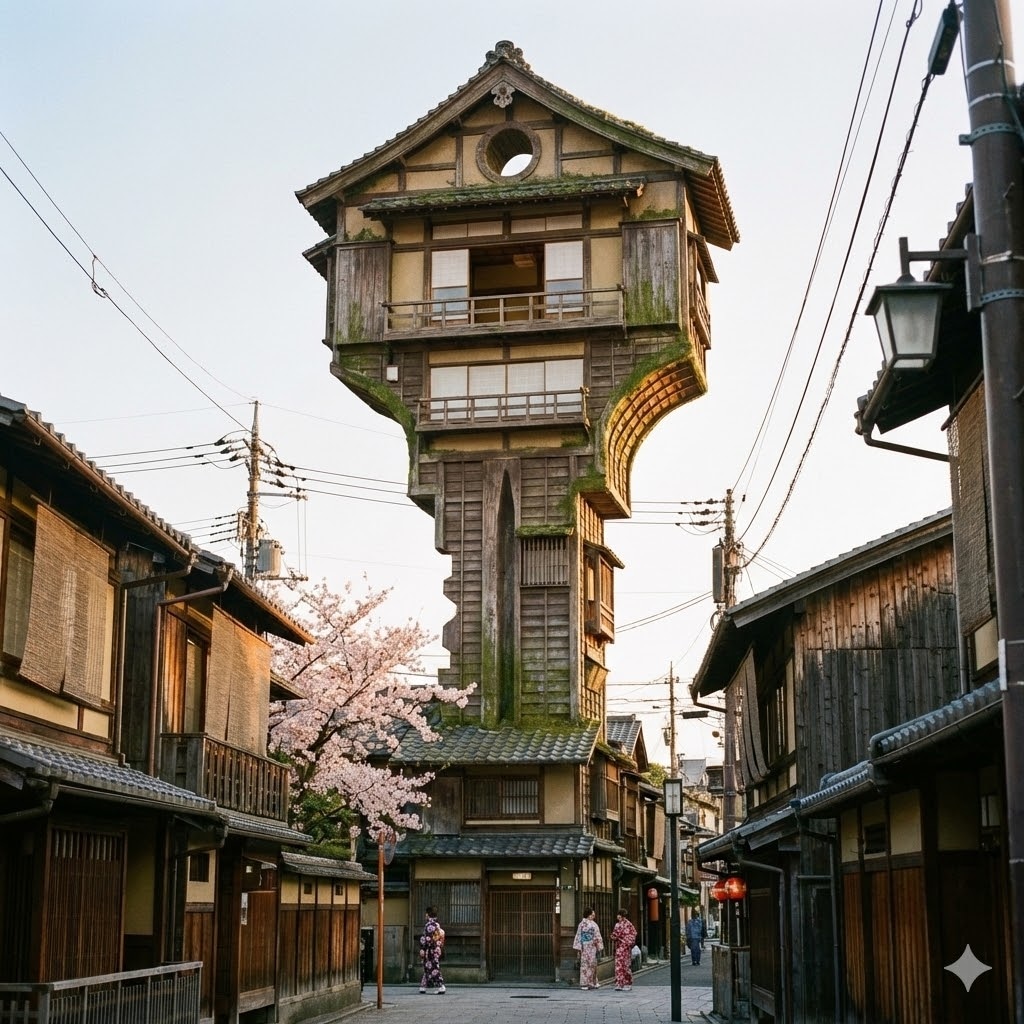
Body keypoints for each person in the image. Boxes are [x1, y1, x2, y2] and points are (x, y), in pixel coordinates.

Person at [572, 907, 604, 989]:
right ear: (588, 915)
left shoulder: (582, 924)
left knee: (588, 965)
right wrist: (599, 946)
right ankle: (589, 983)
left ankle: (588, 983)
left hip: (586, 946)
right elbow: (597, 936)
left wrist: (579, 947)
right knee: (589, 965)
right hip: (589, 946)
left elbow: (578, 936)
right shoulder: (592, 925)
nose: (593, 916)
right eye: (592, 915)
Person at [418, 906, 446, 994]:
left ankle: (441, 986)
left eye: (426, 914)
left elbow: (427, 939)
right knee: (428, 966)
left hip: (431, 949)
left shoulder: (429, 925)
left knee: (433, 967)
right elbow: (441, 936)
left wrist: (423, 948)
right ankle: (423, 986)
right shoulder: (436, 924)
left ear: (427, 914)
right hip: (436, 948)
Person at [611, 908, 638, 991]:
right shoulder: (624, 924)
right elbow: (633, 934)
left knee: (623, 965)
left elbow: (633, 934)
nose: (618, 917)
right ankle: (621, 983)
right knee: (621, 965)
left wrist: (615, 937)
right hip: (622, 947)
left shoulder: (624, 924)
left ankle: (624, 983)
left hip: (624, 947)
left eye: (619, 916)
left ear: (622, 916)